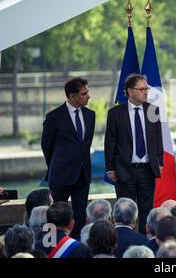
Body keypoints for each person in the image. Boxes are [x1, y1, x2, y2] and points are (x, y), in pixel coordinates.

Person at [104, 74, 163, 234]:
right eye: (142, 89)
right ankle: (125, 243)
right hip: (124, 170)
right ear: (130, 91)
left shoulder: (153, 110)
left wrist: (160, 162)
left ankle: (143, 242)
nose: (146, 92)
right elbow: (110, 142)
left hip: (147, 170)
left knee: (146, 211)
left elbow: (158, 138)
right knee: (124, 212)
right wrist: (110, 168)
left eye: (147, 89)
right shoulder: (115, 113)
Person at [41, 77, 95, 240]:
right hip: (60, 175)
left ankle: (74, 245)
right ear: (71, 96)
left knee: (79, 215)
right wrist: (57, 165)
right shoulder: (54, 116)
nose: (88, 96)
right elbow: (46, 146)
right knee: (56, 215)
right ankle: (52, 246)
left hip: (82, 174)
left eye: (88, 92)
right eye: (84, 93)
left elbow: (85, 145)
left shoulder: (90, 115)